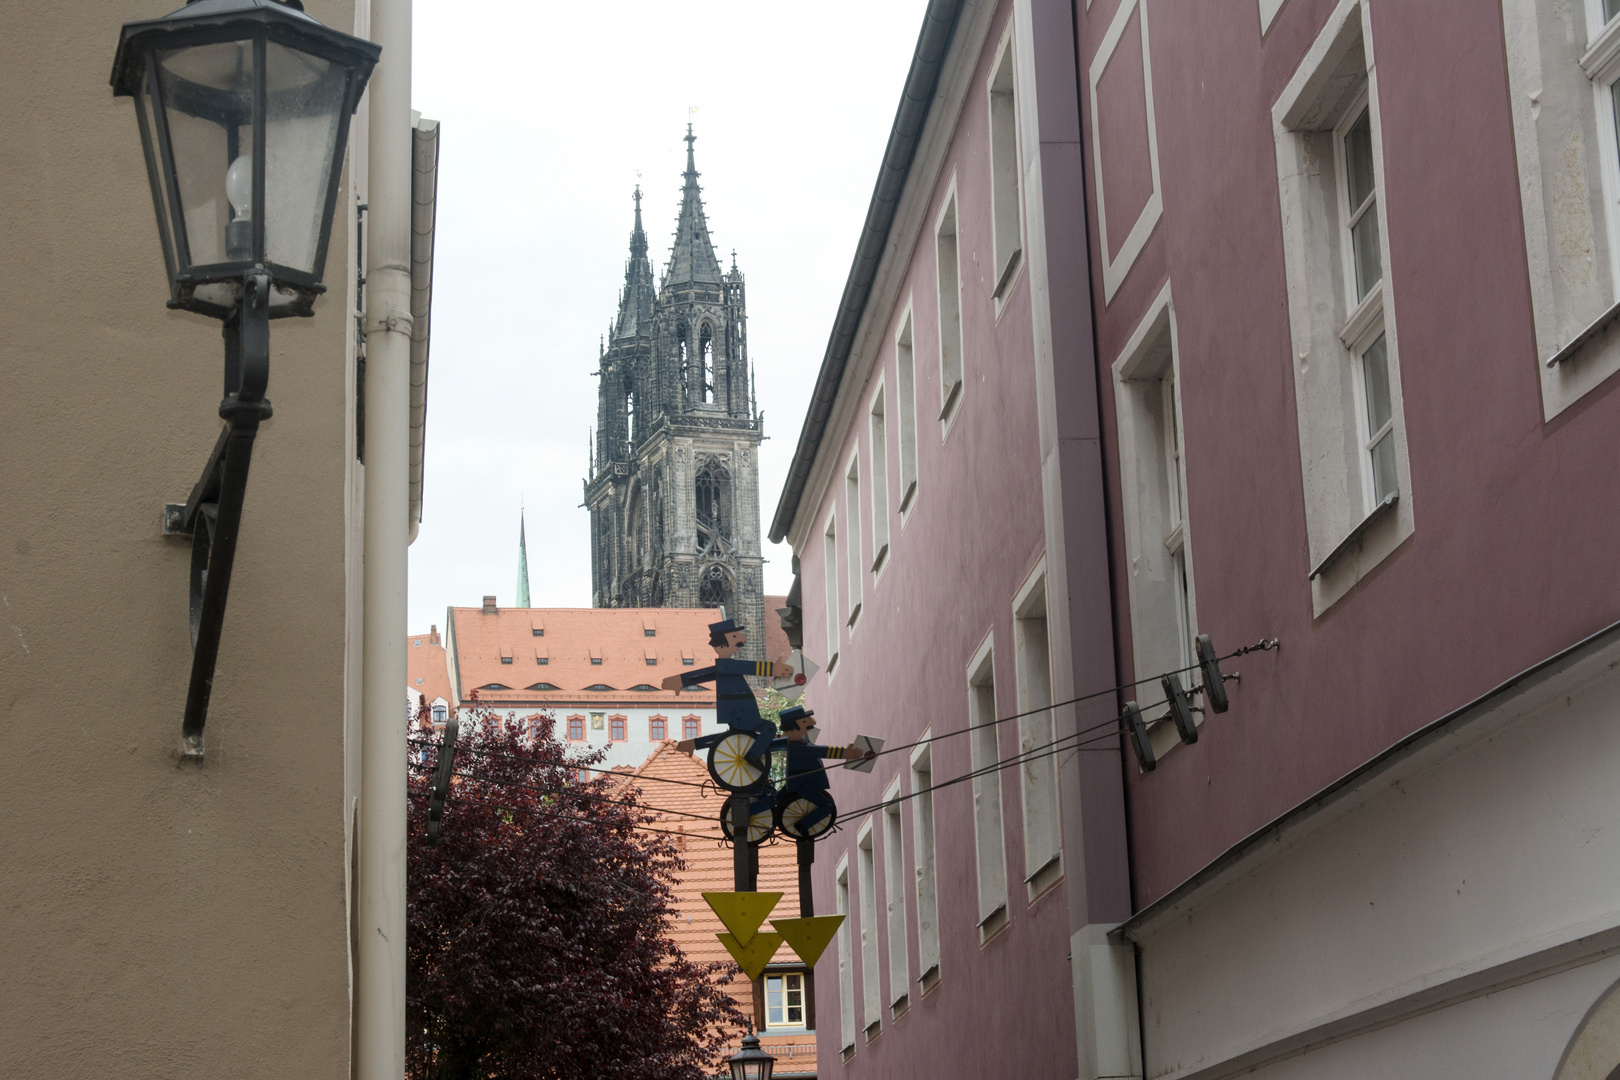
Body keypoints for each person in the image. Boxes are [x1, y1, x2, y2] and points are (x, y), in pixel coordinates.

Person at [667, 616, 792, 768]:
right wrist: (774, 669)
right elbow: (750, 667)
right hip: (739, 711)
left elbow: (705, 674)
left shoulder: (723, 666)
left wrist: (680, 680)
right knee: (769, 727)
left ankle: (693, 744)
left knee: (734, 737)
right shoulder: (727, 665)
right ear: (721, 642)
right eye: (734, 636)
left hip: (738, 711)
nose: (741, 639)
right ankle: (753, 756)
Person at [768, 705, 870, 836]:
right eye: (805, 721)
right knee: (827, 806)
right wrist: (845, 753)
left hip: (797, 781)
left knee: (775, 799)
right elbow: (823, 751)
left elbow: (779, 740)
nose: (812, 723)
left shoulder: (799, 740)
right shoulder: (800, 747)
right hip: (804, 785)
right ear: (795, 727)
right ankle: (803, 825)